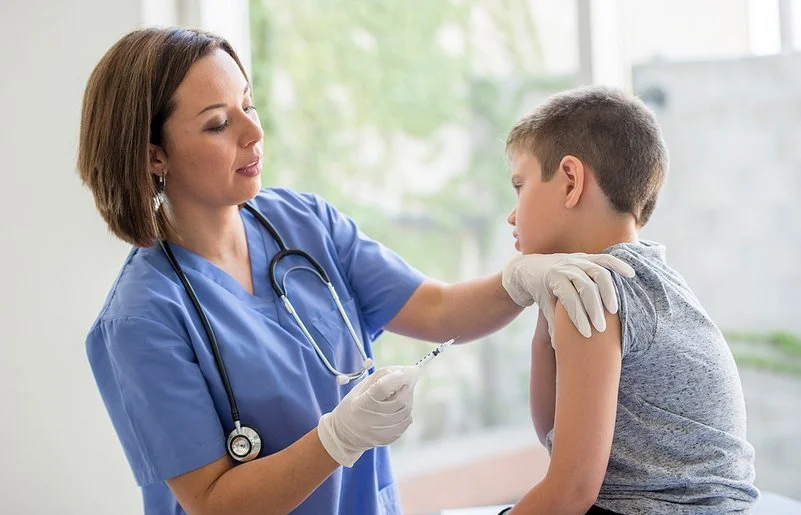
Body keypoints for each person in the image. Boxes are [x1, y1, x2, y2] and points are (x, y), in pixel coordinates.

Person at [77, 27, 634, 515]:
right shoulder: (141, 319)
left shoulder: (303, 224)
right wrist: (337, 439)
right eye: (219, 124)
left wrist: (520, 279)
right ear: (154, 156)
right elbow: (214, 502)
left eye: (249, 105)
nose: (253, 133)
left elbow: (438, 310)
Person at [499, 86, 758, 514]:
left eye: (519, 186)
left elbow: (569, 492)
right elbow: (553, 435)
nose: (511, 214)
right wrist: (545, 325)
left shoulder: (600, 289)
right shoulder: (650, 276)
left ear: (570, 182)